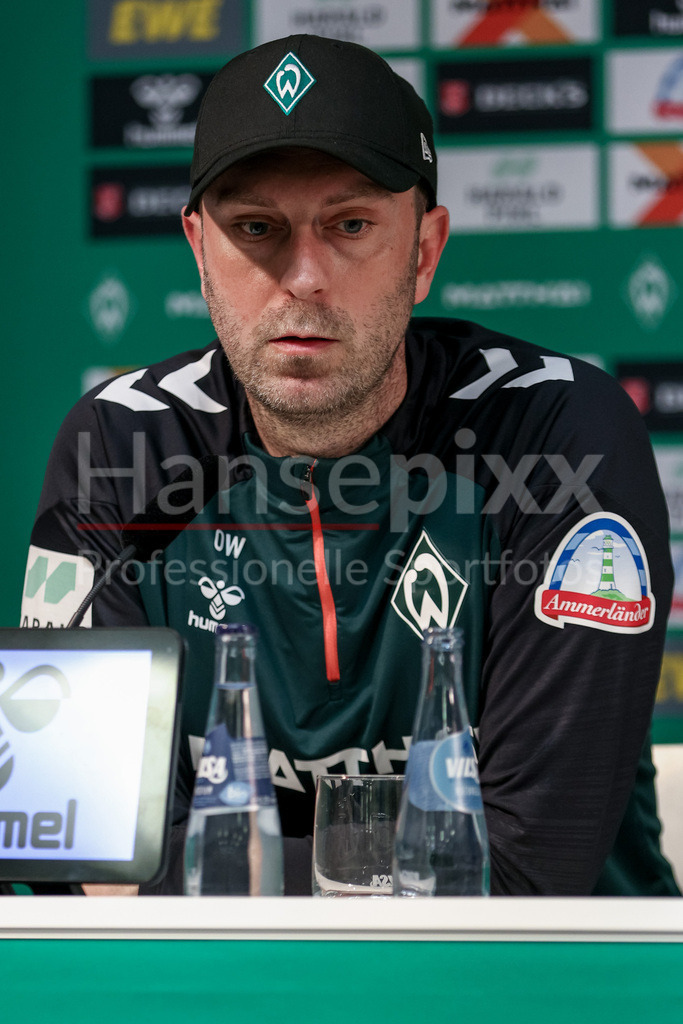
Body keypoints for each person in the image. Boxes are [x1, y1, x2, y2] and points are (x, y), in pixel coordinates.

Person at [23, 34, 679, 897]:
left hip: (541, 971)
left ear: (424, 251)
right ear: (198, 249)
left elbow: (527, 873)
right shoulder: (122, 444)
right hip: (210, 975)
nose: (303, 278)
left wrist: (189, 865)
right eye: (256, 229)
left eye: (351, 226)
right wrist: (423, 856)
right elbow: (75, 847)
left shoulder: (555, 432)